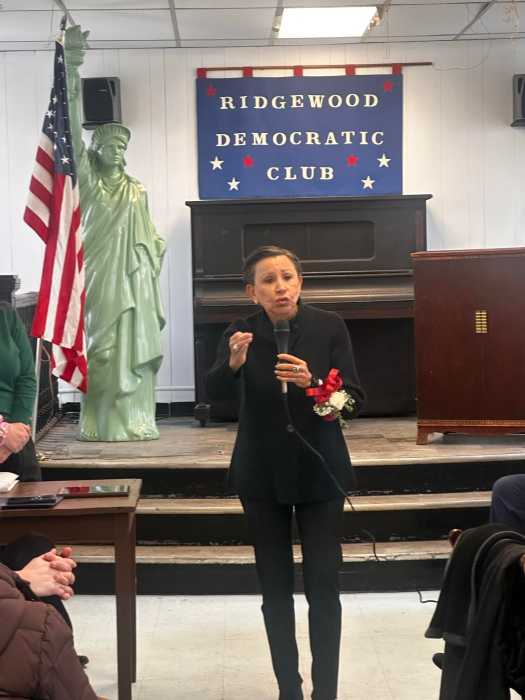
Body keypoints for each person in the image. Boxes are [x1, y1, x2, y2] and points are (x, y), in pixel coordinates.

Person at [206, 245, 365, 700]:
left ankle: (325, 692)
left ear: (300, 283)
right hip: (262, 474)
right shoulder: (240, 332)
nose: (281, 287)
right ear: (252, 292)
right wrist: (232, 364)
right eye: (269, 280)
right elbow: (214, 393)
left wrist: (314, 385)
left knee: (323, 587)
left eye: (288, 278)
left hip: (320, 471)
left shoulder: (329, 326)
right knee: (274, 590)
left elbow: (352, 403)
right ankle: (288, 690)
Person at [65, 25, 166, 442]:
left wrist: (155, 248)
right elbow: (72, 135)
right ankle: (98, 417)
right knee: (102, 350)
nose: (118, 151)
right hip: (102, 273)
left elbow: (150, 235)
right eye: (110, 146)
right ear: (97, 151)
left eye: (122, 147)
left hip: (136, 280)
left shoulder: (136, 189)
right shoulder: (89, 183)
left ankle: (136, 418)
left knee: (133, 349)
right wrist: (71, 68)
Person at [0, 547, 106, 700]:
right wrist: (19, 581)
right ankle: (61, 660)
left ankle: (64, 658)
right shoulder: (42, 624)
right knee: (44, 630)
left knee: (34, 543)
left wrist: (17, 577)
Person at [0, 302, 39, 481]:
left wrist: (15, 433)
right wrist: (2, 433)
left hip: (15, 438)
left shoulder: (6, 315)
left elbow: (27, 377)